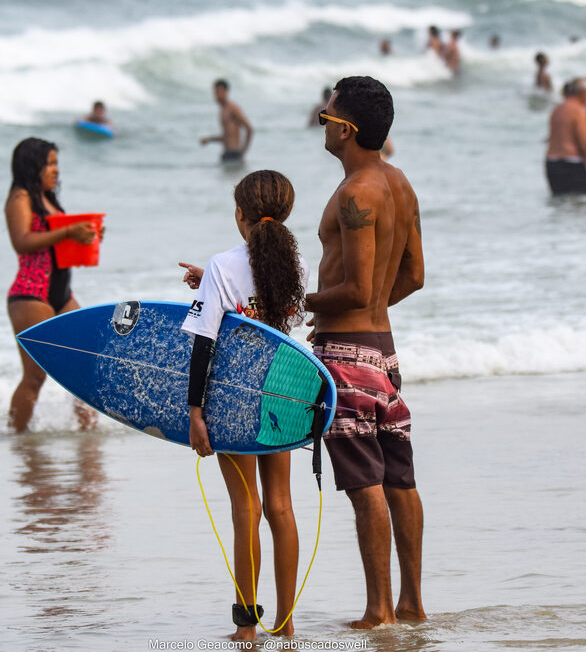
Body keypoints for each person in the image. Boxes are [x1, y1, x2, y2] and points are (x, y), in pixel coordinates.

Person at [308, 76, 426, 628]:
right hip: (383, 349)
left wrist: (291, 301)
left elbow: (353, 289)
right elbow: (414, 276)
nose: (322, 121)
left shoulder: (356, 193)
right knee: (399, 477)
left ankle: (378, 610)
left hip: (347, 350)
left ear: (347, 129)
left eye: (327, 115)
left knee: (364, 483)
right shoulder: (400, 184)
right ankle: (410, 604)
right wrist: (373, 306)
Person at [179, 170, 308, 641]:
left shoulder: (222, 264)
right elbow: (281, 323)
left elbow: (204, 343)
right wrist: (209, 290)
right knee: (281, 507)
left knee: (244, 508)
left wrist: (195, 413)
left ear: (240, 214)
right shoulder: (297, 266)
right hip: (282, 392)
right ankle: (287, 621)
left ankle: (246, 628)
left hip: (233, 398)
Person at [5, 138, 99, 432]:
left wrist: (88, 237)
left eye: (57, 163)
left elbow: (58, 246)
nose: (56, 170)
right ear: (33, 165)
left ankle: (89, 435)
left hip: (62, 293)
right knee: (35, 377)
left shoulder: (49, 198)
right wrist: (69, 230)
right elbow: (21, 242)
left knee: (85, 366)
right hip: (31, 295)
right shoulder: (20, 198)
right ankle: (17, 437)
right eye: (50, 163)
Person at [545, 78, 586, 196]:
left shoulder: (557, 109)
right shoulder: (579, 110)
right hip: (572, 163)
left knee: (560, 203)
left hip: (551, 162)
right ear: (585, 93)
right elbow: (584, 142)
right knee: (582, 204)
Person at [200, 79, 253, 163]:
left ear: (226, 91)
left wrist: (243, 151)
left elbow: (249, 129)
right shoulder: (222, 110)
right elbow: (226, 137)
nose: (216, 95)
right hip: (226, 154)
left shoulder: (232, 108)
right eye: (215, 92)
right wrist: (209, 140)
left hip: (235, 154)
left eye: (219, 91)